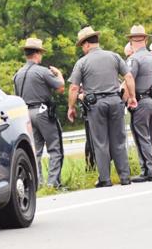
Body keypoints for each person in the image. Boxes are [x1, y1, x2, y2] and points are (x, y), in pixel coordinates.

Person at [68, 26, 135, 187]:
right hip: (115, 101)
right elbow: (128, 76)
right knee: (118, 140)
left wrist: (71, 107)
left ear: (86, 44)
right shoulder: (114, 56)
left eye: (82, 46)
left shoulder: (82, 62)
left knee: (100, 142)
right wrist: (132, 97)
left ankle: (105, 179)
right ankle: (125, 177)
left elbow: (74, 88)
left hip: (96, 105)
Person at [12, 37, 65, 188]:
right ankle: (53, 183)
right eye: (41, 53)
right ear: (37, 53)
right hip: (43, 112)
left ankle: (38, 183)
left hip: (27, 114)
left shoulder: (17, 74)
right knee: (55, 148)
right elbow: (61, 88)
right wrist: (59, 73)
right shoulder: (42, 71)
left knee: (36, 150)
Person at [125, 25, 152, 182]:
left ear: (131, 41)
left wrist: (125, 98)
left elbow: (129, 79)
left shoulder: (134, 59)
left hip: (141, 101)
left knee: (141, 136)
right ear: (145, 39)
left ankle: (148, 170)